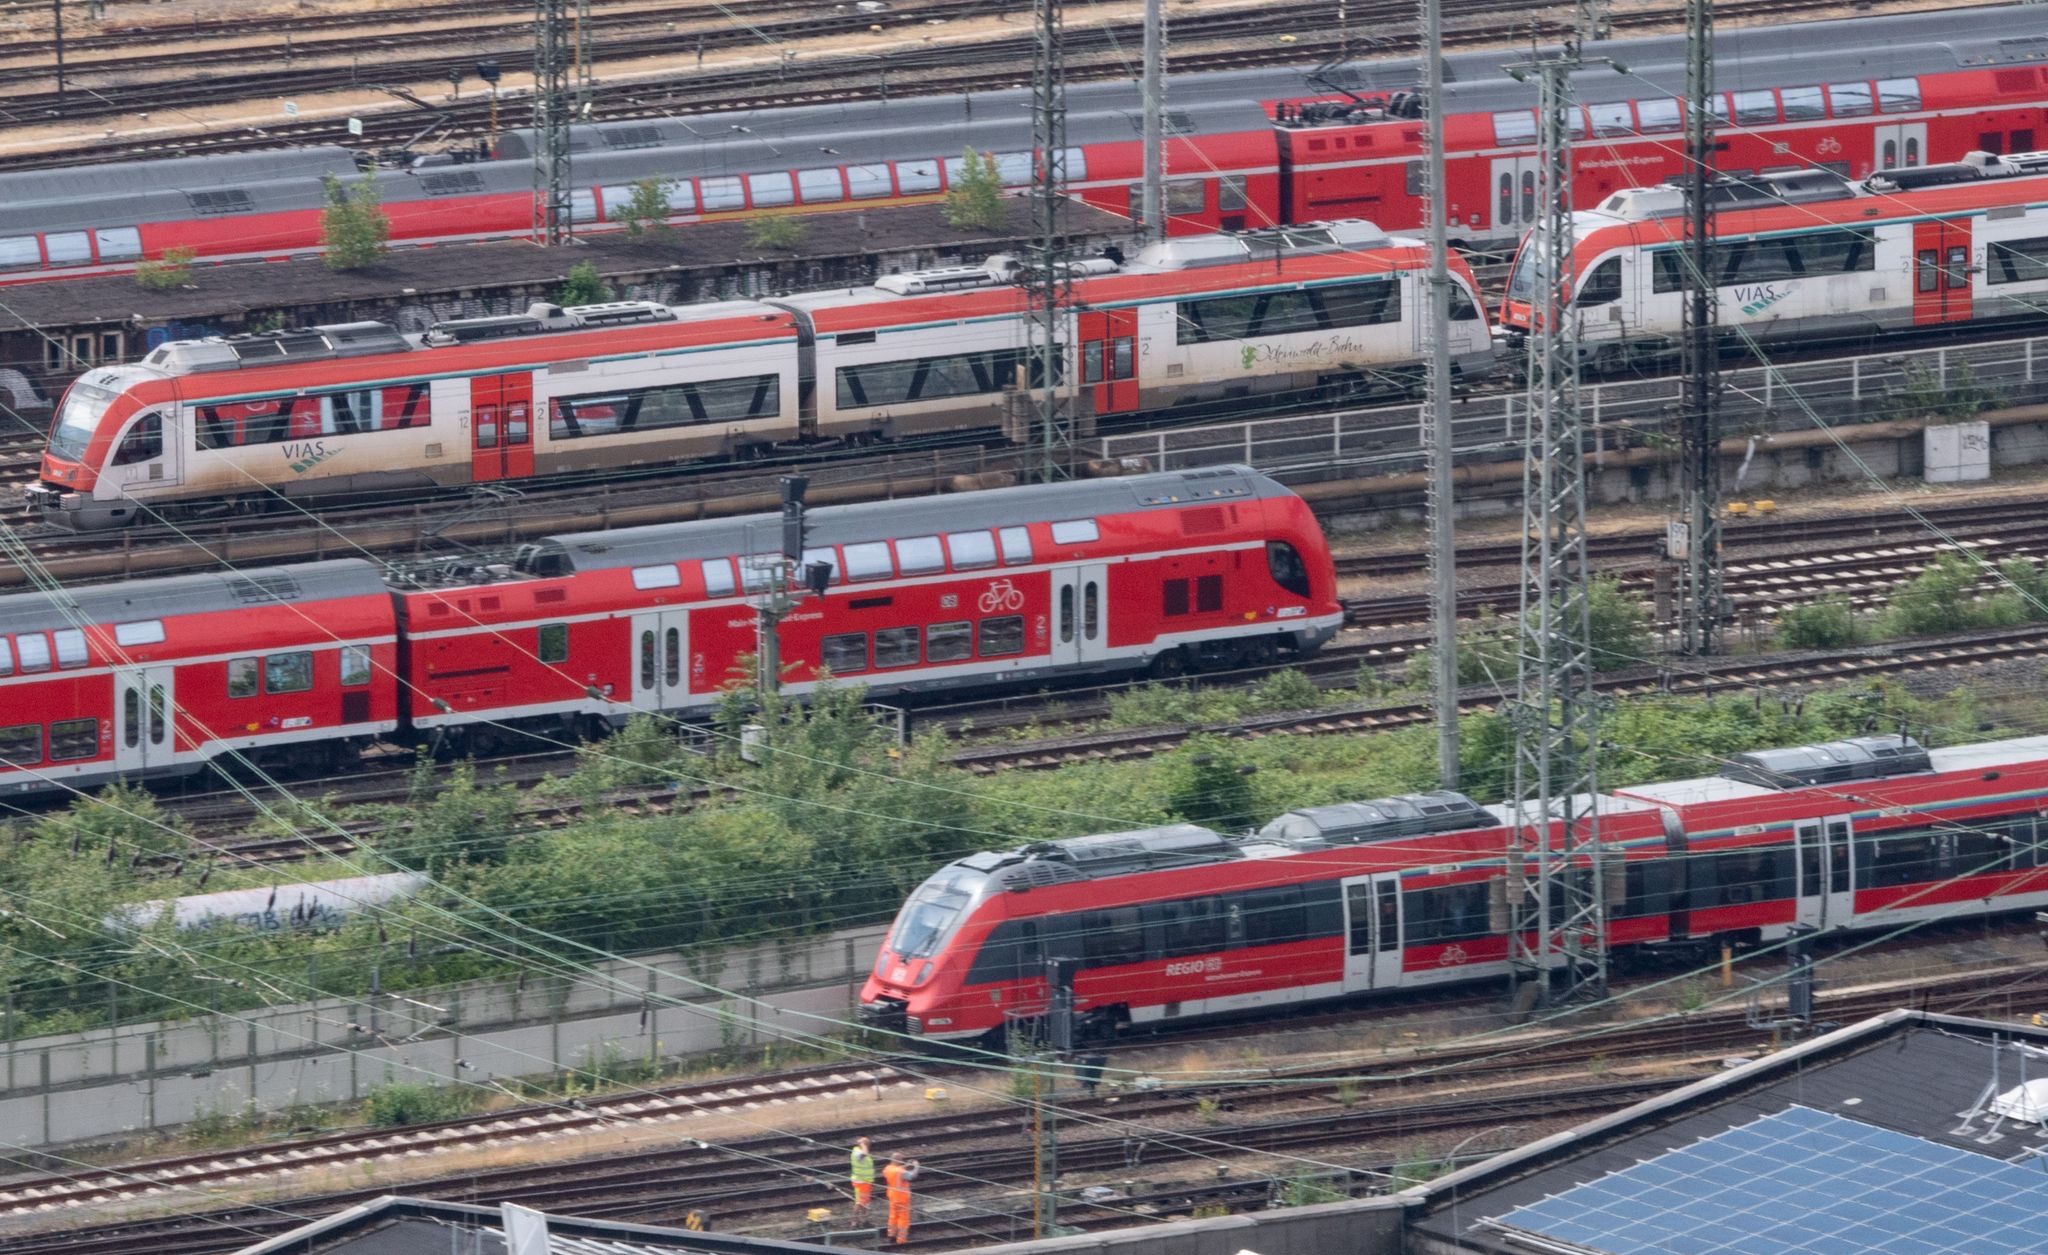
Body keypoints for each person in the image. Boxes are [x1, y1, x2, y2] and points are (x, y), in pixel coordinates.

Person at [882, 1150, 920, 1244]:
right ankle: (901, 1240)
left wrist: (905, 1166)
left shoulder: (887, 1168)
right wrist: (917, 1166)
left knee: (893, 1217)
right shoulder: (900, 1171)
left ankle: (891, 1236)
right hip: (902, 1198)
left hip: (892, 1197)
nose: (902, 1161)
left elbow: (897, 1171)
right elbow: (912, 1176)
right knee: (903, 1219)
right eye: (901, 1160)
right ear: (898, 1160)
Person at [849, 1136, 876, 1227]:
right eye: (867, 1144)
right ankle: (855, 1222)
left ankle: (864, 1221)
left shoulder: (857, 1151)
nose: (868, 1146)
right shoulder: (858, 1152)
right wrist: (863, 1144)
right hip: (861, 1182)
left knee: (863, 1202)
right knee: (859, 1202)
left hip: (864, 1182)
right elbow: (864, 1153)